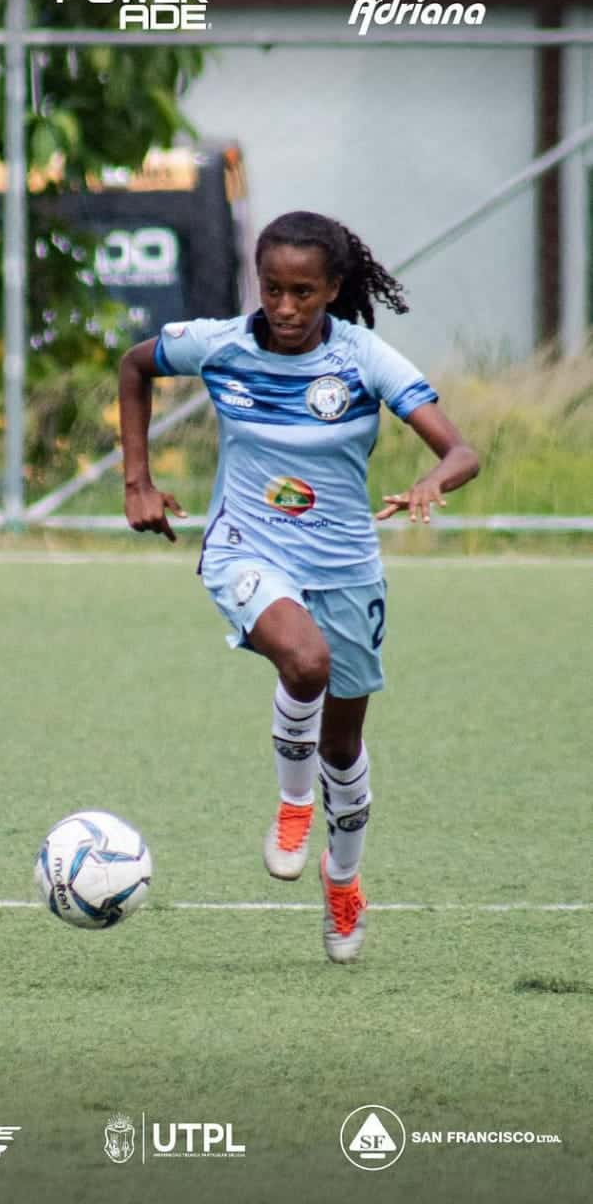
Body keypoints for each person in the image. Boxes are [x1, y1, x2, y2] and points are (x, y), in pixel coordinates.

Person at [118, 210, 479, 963]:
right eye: (272, 289)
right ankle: (291, 804)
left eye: (302, 293)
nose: (284, 308)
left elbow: (460, 450)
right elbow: (133, 365)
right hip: (248, 548)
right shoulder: (218, 344)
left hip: (345, 566)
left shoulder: (361, 358)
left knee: (343, 748)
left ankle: (342, 879)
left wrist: (429, 481)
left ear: (332, 290)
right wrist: (137, 482)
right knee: (303, 662)